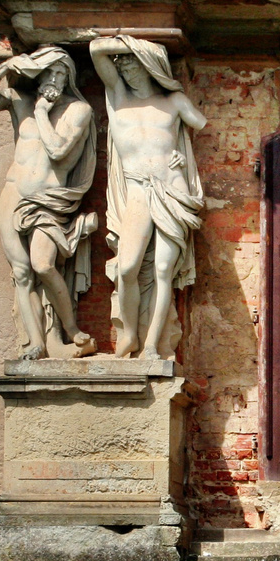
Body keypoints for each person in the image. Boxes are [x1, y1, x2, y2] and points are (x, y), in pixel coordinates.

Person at [0, 45, 98, 360]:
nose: (53, 79)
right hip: (13, 194)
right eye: (48, 72)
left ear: (69, 79)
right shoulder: (20, 101)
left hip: (50, 200)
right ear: (38, 76)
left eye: (60, 73)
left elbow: (57, 151)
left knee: (43, 264)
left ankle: (74, 332)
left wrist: (41, 113)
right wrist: (1, 70)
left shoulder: (78, 110)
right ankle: (36, 345)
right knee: (22, 272)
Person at [89, 35, 208, 359]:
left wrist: (182, 154)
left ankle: (153, 346)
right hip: (139, 190)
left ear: (148, 65)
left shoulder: (172, 102)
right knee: (127, 268)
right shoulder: (118, 99)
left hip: (172, 189)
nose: (124, 68)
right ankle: (128, 334)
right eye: (121, 64)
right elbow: (96, 50)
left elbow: (199, 121)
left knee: (162, 271)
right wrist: (130, 44)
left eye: (131, 63)